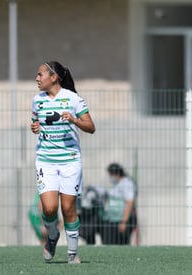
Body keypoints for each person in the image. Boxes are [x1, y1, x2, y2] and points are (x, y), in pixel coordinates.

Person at [30, 61, 95, 264]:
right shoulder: (37, 100)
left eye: (40, 74)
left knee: (68, 209)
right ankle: (52, 236)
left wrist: (74, 120)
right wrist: (35, 127)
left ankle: (73, 253)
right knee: (49, 209)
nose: (37, 78)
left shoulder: (73, 99)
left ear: (54, 77)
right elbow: (36, 122)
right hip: (46, 161)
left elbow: (91, 127)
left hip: (70, 161)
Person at [100, 163, 137, 245]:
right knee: (108, 243)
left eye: (110, 174)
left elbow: (129, 203)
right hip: (113, 219)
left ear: (116, 173)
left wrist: (123, 221)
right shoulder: (117, 184)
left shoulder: (127, 184)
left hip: (122, 220)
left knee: (121, 244)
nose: (110, 177)